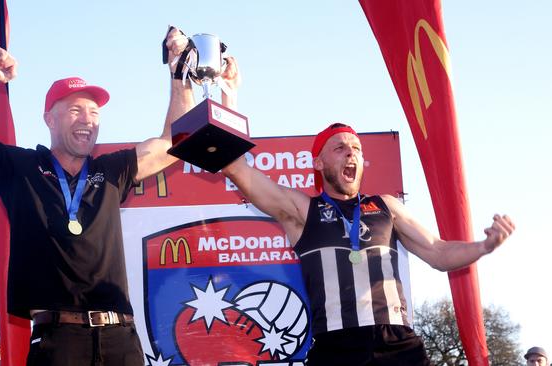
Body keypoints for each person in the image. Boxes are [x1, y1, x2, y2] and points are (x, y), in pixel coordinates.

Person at [172, 56, 515, 364]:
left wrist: (484, 247)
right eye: (340, 148)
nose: (351, 154)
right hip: (337, 346)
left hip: (397, 343)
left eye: (356, 148)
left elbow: (438, 252)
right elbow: (237, 169)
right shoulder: (302, 209)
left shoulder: (386, 206)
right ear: (318, 162)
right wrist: (230, 94)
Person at [0, 28, 194, 366]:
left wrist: (180, 71)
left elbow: (178, 141)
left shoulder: (112, 169)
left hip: (120, 338)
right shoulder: (20, 167)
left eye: (95, 113)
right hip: (59, 342)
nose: (88, 120)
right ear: (49, 119)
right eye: (76, 110)